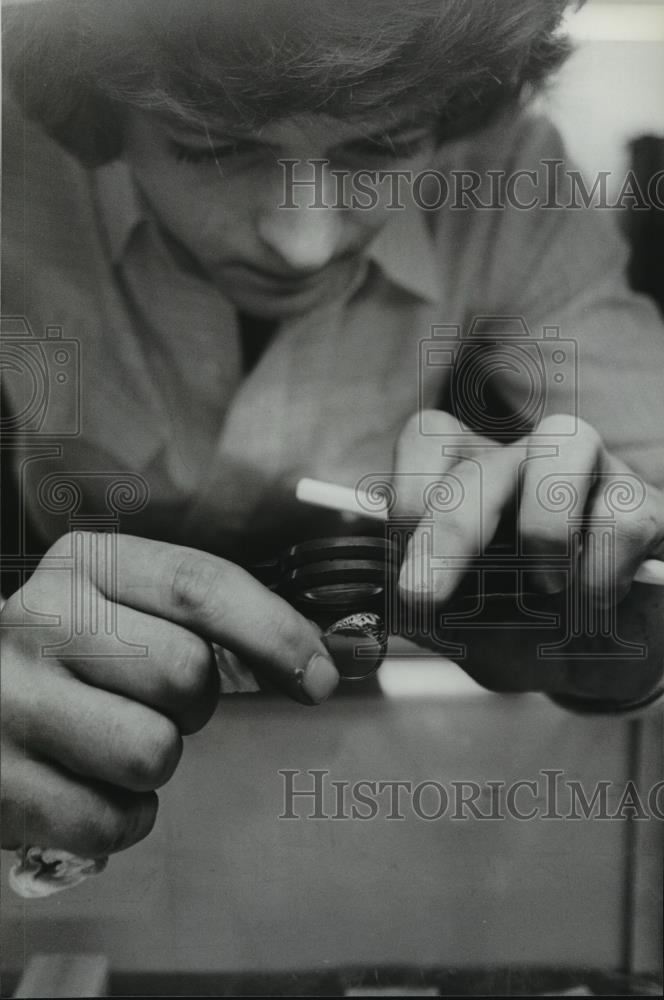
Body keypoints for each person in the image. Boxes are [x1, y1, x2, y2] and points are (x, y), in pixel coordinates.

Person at [1, 0, 663, 860]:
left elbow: (650, 476)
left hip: (359, 754)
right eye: (213, 146)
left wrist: (623, 619)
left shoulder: (511, 175)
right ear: (94, 111)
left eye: (381, 146)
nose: (303, 244)